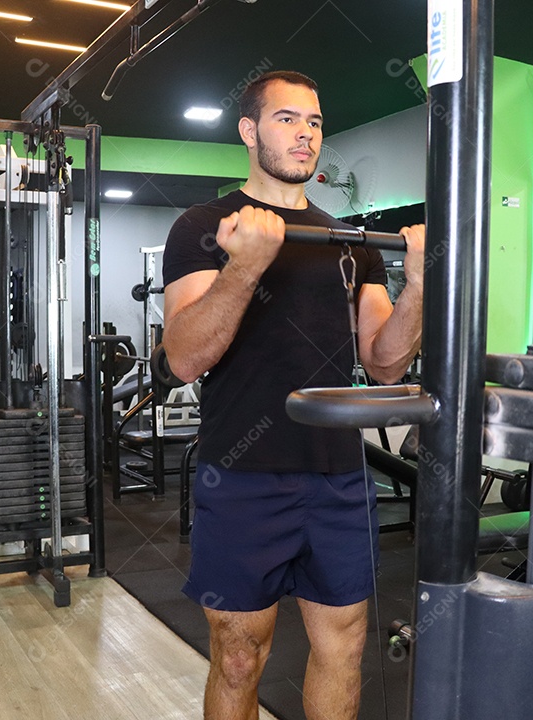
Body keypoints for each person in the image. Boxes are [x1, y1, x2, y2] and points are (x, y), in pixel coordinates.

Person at [161, 70, 424, 720]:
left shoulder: (348, 242)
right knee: (240, 656)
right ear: (249, 130)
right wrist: (246, 264)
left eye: (314, 122)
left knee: (345, 646)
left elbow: (385, 364)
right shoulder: (203, 226)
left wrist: (420, 286)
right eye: (287, 119)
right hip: (243, 475)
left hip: (338, 477)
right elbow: (185, 357)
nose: (305, 134)